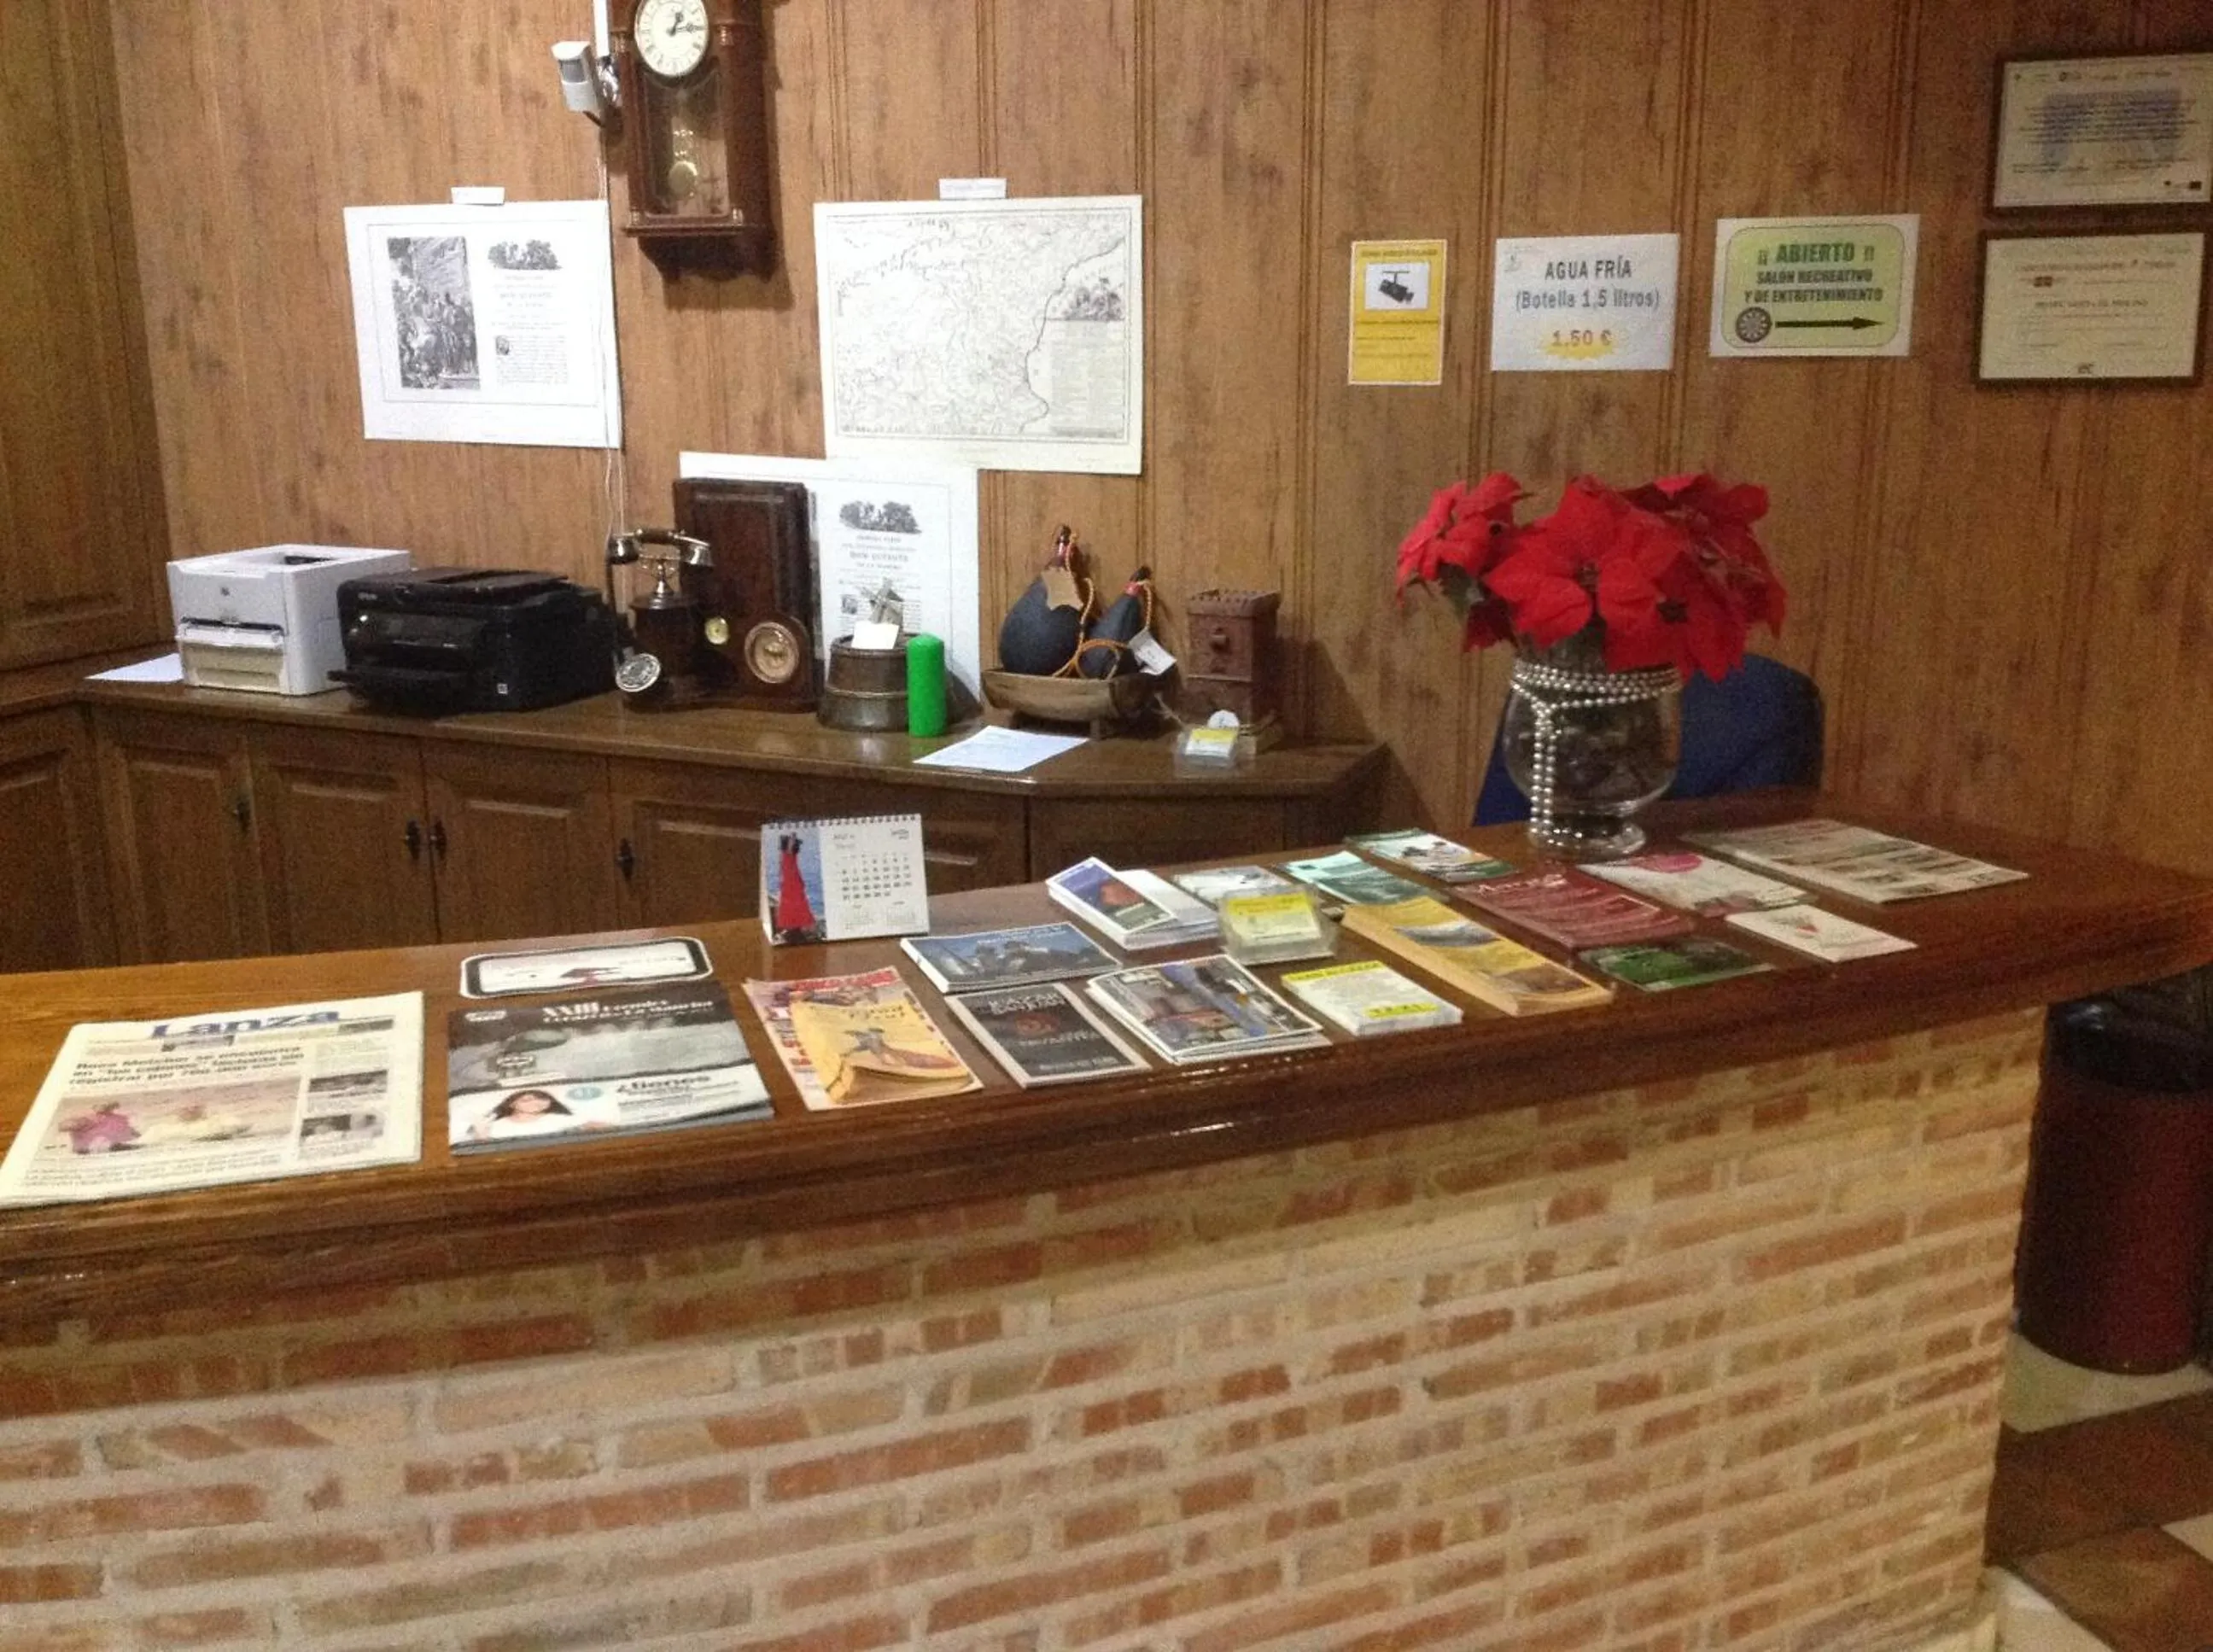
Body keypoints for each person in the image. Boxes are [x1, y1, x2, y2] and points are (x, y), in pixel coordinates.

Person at [466, 1089, 576, 1142]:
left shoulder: (561, 1120)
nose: (535, 1103)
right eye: (526, 1100)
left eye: (542, 1098)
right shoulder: (494, 1126)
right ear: (511, 1104)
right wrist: (481, 1134)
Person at [60, 1100, 137, 1154]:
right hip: (89, 1148)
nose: (105, 1108)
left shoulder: (114, 1119)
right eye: (104, 1107)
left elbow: (131, 1132)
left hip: (110, 1145)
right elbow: (64, 1126)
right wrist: (75, 1124)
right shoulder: (88, 1119)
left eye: (108, 1107)